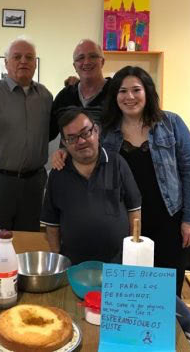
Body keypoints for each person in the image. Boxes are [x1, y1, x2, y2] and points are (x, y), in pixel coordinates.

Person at [52, 66, 190, 295]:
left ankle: (165, 330)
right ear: (115, 96)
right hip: (122, 219)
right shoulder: (106, 127)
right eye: (122, 91)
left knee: (166, 291)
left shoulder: (171, 123)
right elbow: (81, 143)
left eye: (136, 90)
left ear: (147, 92)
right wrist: (63, 151)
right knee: (129, 289)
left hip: (167, 218)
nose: (129, 97)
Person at [41, 108, 141, 265]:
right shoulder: (58, 173)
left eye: (85, 133)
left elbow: (134, 211)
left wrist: (133, 254)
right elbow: (52, 224)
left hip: (117, 265)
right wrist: (57, 260)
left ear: (97, 131)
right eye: (72, 138)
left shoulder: (117, 163)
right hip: (72, 266)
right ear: (65, 143)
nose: (80, 141)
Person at [0, 37, 53, 231]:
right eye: (17, 57)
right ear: (6, 62)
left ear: (35, 63)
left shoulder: (45, 96)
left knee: (27, 240)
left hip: (34, 183)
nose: (23, 61)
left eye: (29, 57)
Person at [49, 39, 110, 140]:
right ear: (75, 66)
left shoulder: (117, 93)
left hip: (108, 156)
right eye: (80, 58)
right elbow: (48, 133)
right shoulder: (64, 96)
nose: (86, 62)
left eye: (93, 56)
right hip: (69, 156)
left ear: (102, 62)